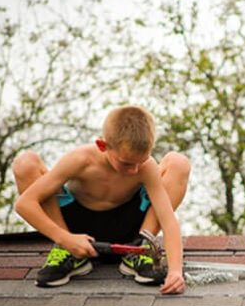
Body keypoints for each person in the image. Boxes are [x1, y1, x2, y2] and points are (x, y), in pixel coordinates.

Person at [13, 105, 191, 294]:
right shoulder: (80, 160)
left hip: (129, 227)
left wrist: (175, 272)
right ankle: (67, 251)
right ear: (102, 146)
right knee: (25, 163)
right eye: (127, 163)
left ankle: (141, 247)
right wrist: (64, 238)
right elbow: (24, 204)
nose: (135, 170)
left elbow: (168, 220)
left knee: (178, 162)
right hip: (75, 228)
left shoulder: (146, 167)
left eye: (141, 161)